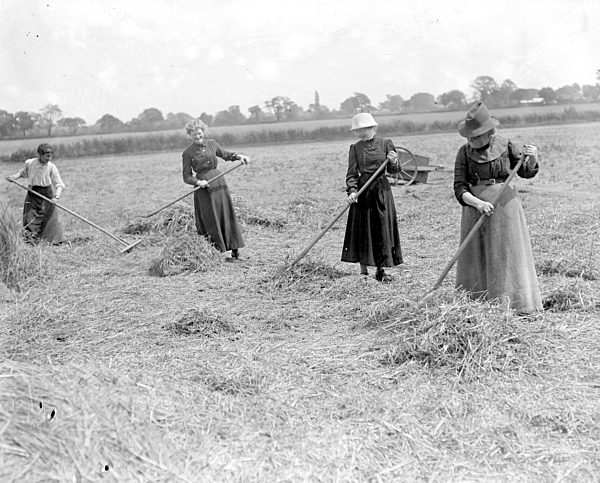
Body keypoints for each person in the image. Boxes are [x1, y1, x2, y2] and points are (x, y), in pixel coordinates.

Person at [453, 102, 542, 314]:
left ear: (489, 133)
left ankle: (515, 304)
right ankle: (478, 305)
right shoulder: (463, 153)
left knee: (506, 252)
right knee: (477, 254)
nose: (471, 140)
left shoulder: (507, 146)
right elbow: (458, 187)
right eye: (469, 136)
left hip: (505, 207)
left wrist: (534, 157)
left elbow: (526, 173)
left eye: (476, 136)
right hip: (475, 208)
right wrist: (478, 203)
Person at [341, 113, 403, 282]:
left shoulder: (386, 143)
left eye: (362, 129)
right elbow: (352, 173)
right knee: (363, 230)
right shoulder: (355, 148)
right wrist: (352, 191)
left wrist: (393, 161)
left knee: (381, 229)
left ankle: (380, 270)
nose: (359, 133)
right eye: (357, 130)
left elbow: (395, 170)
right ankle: (363, 272)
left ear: (371, 128)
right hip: (363, 192)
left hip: (381, 190)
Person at [182, 119, 249, 259]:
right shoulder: (187, 153)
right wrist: (198, 181)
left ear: (203, 132)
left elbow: (226, 155)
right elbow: (187, 176)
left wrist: (239, 157)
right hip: (204, 189)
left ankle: (235, 251)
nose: (197, 136)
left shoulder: (212, 143)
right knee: (210, 218)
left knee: (226, 213)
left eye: (199, 133)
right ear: (190, 135)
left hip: (219, 184)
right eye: (194, 135)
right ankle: (213, 254)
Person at [6, 143, 65, 244]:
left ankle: (50, 240)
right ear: (40, 154)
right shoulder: (30, 163)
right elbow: (23, 173)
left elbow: (60, 184)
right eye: (47, 156)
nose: (49, 158)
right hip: (33, 193)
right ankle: (31, 239)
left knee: (49, 216)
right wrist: (13, 177)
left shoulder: (51, 167)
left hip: (47, 193)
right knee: (30, 216)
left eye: (50, 156)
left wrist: (56, 197)